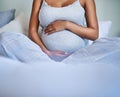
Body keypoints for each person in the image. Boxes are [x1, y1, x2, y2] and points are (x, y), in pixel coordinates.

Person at [29, 0, 99, 60]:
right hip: (46, 56)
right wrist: (47, 52)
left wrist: (66, 25)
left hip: (79, 56)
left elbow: (94, 34)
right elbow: (32, 31)